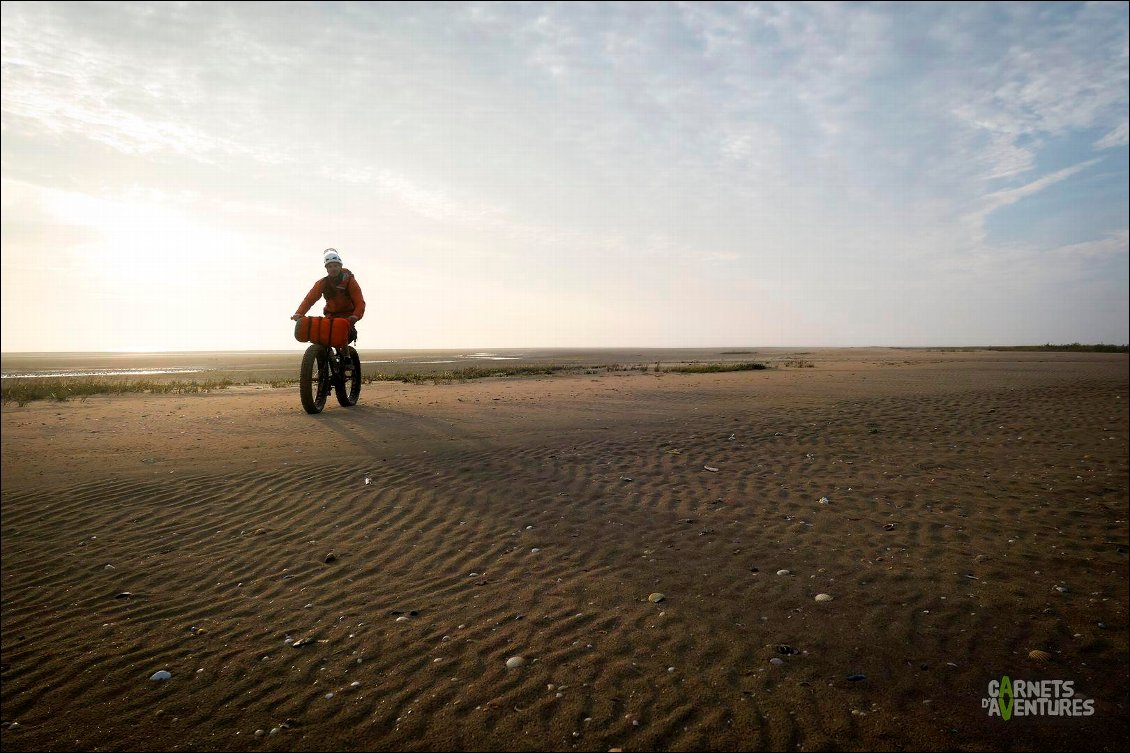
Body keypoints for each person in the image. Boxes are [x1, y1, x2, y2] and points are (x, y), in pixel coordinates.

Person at [291, 249, 366, 341]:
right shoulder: (323, 283)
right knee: (321, 336)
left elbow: (359, 302)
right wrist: (299, 313)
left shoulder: (350, 282)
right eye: (330, 266)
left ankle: (346, 355)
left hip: (347, 316)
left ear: (340, 266)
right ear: (326, 269)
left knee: (341, 339)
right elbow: (309, 299)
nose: (333, 268)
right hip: (330, 315)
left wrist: (355, 316)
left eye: (335, 266)